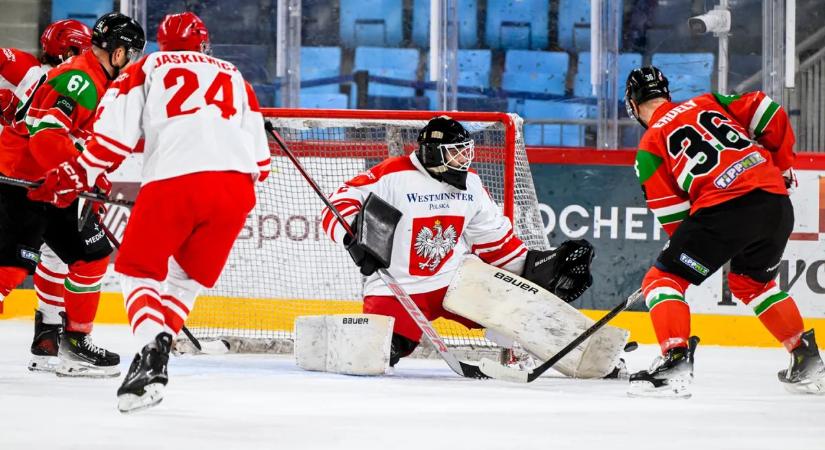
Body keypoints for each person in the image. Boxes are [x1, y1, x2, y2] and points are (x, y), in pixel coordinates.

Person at [30, 11, 271, 412]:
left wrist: (77, 172)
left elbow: (112, 141)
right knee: (184, 280)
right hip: (236, 190)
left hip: (175, 180)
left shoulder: (147, 68)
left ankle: (150, 349)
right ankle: (159, 352)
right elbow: (262, 164)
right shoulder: (236, 76)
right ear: (203, 44)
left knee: (136, 271)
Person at [321, 116, 595, 368]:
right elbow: (339, 202)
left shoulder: (471, 184)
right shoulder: (393, 174)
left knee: (518, 313)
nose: (464, 159)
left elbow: (494, 241)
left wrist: (537, 267)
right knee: (375, 354)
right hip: (395, 287)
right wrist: (352, 236)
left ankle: (585, 354)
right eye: (456, 152)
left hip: (453, 280)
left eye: (466, 151)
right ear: (432, 153)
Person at [624, 66, 825, 397]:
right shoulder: (709, 102)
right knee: (752, 283)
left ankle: (675, 364)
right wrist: (782, 164)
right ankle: (806, 359)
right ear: (666, 94)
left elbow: (677, 220)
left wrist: (691, 252)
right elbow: (769, 111)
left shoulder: (649, 147)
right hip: (775, 203)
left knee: (662, 281)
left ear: (633, 105)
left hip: (725, 209)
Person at [0, 12, 145, 378]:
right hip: (24, 181)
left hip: (53, 183)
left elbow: (75, 138)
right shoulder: (80, 79)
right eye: (131, 54)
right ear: (117, 52)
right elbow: (47, 138)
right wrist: (80, 174)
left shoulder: (98, 80)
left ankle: (73, 345)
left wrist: (91, 174)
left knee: (90, 255)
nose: (133, 62)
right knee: (9, 269)